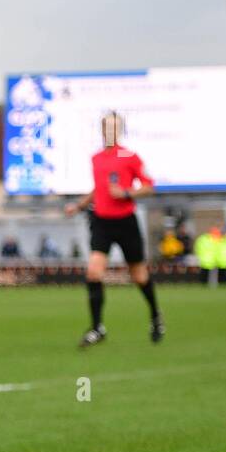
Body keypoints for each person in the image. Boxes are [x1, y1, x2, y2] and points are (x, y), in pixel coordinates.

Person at [63, 111, 162, 347]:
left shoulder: (131, 157)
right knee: (93, 272)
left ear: (120, 130)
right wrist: (78, 205)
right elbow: (98, 189)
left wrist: (127, 193)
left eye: (114, 128)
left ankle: (156, 316)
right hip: (102, 221)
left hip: (125, 221)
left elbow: (149, 187)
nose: (110, 131)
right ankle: (97, 328)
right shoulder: (96, 158)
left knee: (139, 276)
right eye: (106, 127)